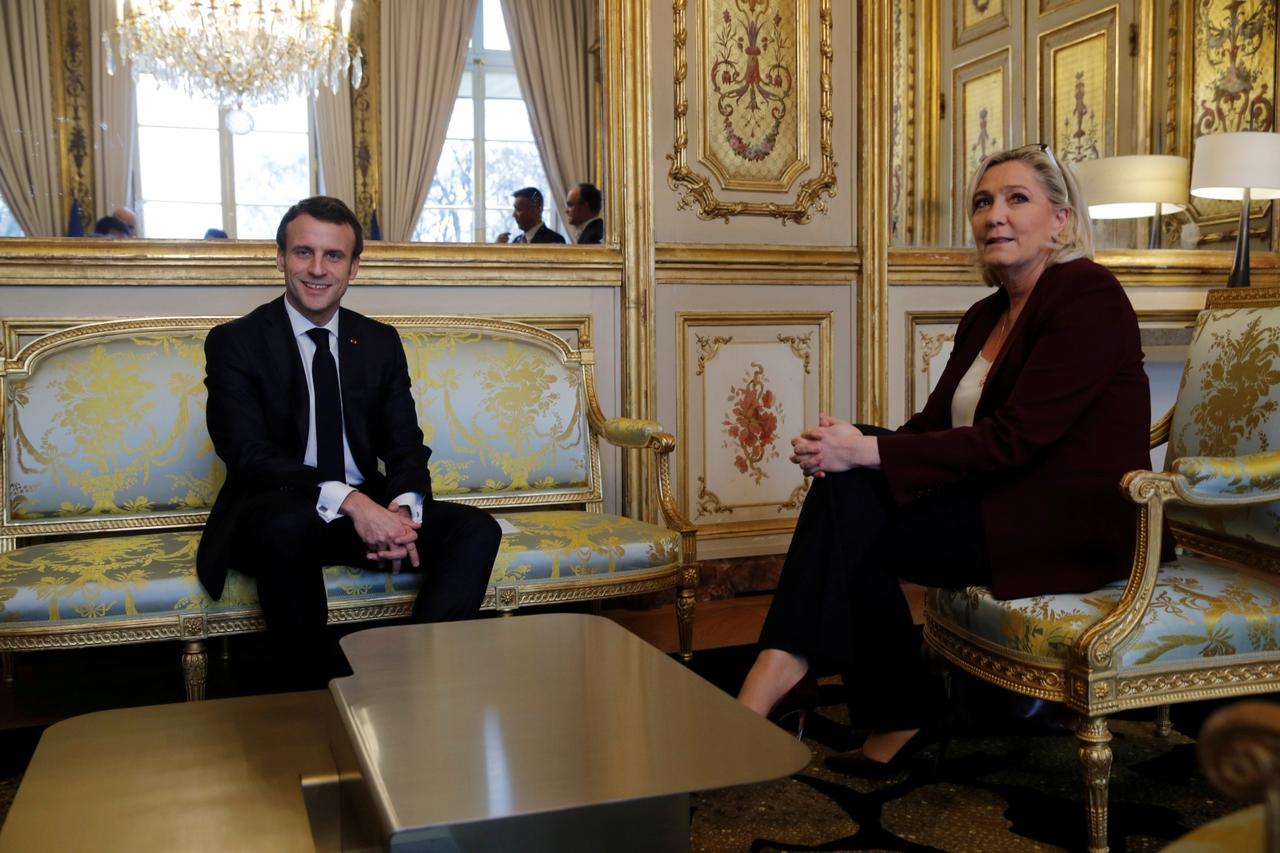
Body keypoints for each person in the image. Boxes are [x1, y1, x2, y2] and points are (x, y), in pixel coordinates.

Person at [736, 144, 1172, 774]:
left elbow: (1015, 439)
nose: (995, 214)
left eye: (1017, 199)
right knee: (848, 487)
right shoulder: (987, 314)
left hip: (1065, 522)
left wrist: (864, 451)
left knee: (855, 493)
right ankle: (802, 673)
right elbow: (931, 427)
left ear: (1062, 220)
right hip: (999, 502)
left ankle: (789, 669)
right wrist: (848, 445)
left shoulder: (1087, 295)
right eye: (983, 202)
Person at [197, 195, 502, 685]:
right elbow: (248, 456)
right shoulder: (237, 342)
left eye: (333, 256)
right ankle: (317, 690)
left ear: (354, 267)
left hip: (361, 513)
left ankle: (416, 676)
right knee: (285, 525)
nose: (317, 269)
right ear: (280, 258)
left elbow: (405, 443)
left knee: (476, 530)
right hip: (275, 513)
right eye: (303, 253)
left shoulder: (378, 341)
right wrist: (356, 504)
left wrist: (400, 512)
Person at [496, 187, 566, 244]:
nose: (513, 215)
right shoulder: (516, 241)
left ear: (537, 208)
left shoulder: (555, 240)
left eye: (519, 209)